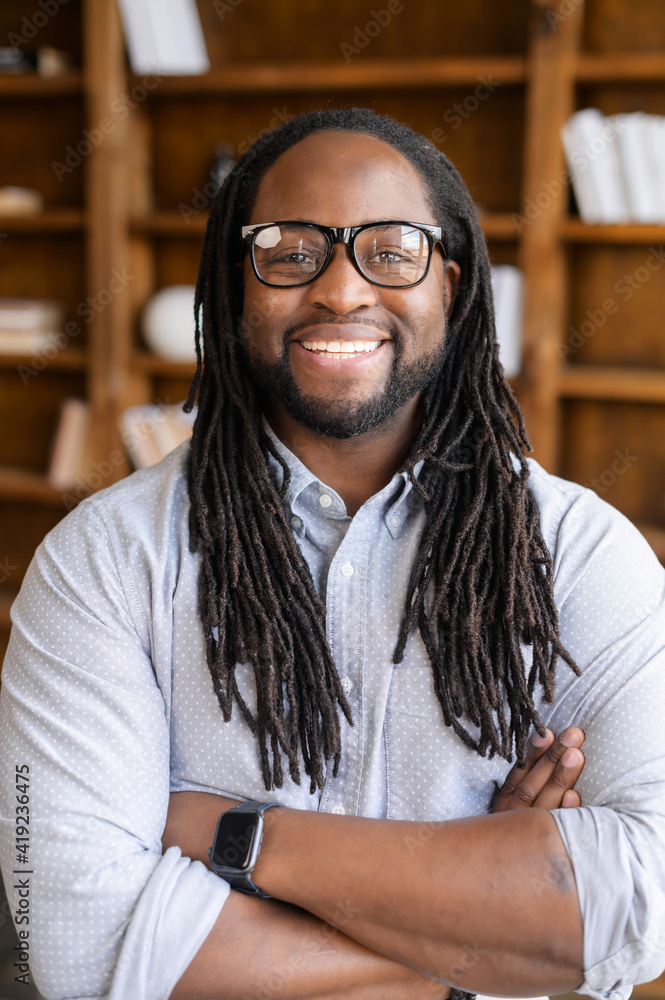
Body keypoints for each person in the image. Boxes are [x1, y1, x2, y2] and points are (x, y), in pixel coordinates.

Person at [0, 108, 664, 1000]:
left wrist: (228, 835)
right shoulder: (102, 564)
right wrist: (482, 945)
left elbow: (643, 910)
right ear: (236, 284)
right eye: (290, 249)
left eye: (391, 251)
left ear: (453, 287)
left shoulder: (581, 555)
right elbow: (81, 947)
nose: (342, 292)